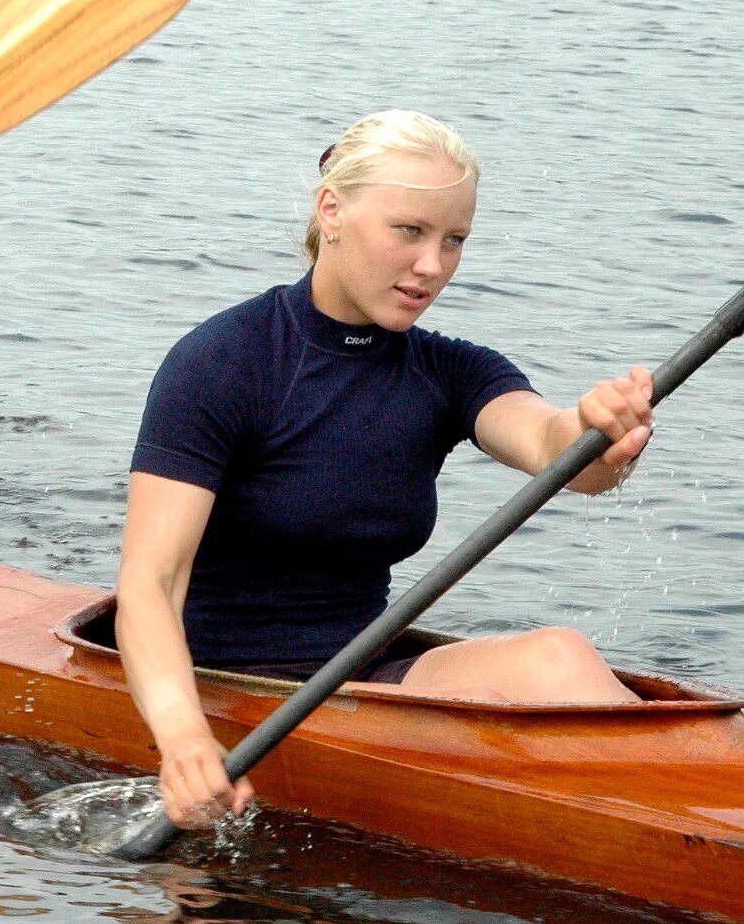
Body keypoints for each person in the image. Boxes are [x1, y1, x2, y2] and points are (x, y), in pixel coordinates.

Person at [115, 109, 654, 831]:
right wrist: (182, 738)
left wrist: (598, 435)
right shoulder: (223, 363)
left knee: (559, 656)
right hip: (223, 687)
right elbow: (149, 585)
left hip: (363, 675)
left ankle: (684, 813)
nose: (432, 265)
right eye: (410, 231)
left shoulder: (450, 370)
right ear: (331, 211)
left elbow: (555, 448)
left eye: (454, 240)